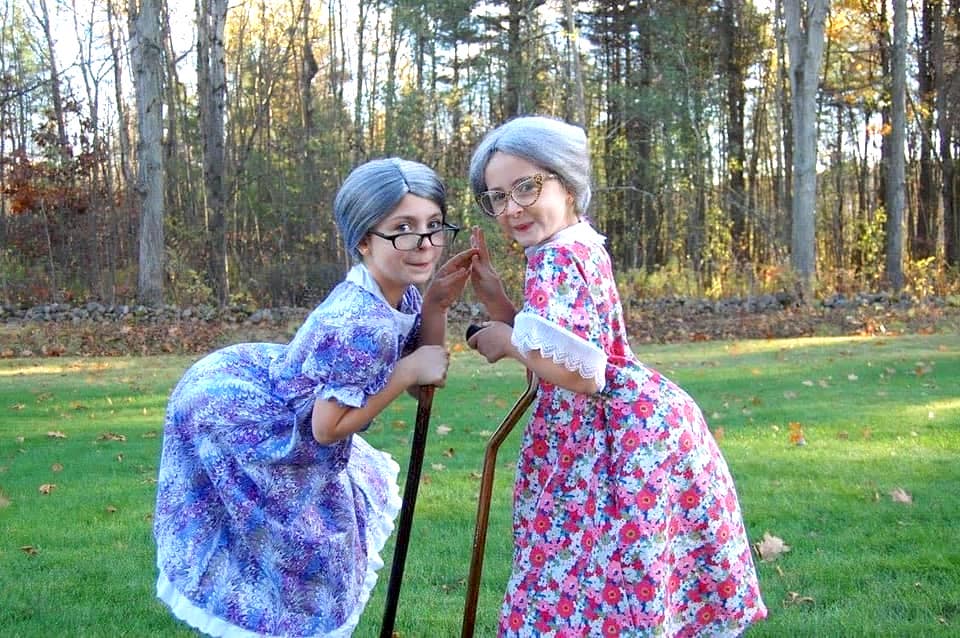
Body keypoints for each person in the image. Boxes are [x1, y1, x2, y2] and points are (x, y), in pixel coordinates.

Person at [465, 116, 767, 636]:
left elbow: (582, 374)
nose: (511, 207)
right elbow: (567, 340)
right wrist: (497, 300)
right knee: (609, 569)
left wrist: (504, 341)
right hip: (634, 424)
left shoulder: (556, 258)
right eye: (497, 196)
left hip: (606, 439)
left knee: (584, 570)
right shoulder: (578, 244)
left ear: (566, 182)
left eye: (526, 187)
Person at [153, 158, 476, 637]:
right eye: (402, 228)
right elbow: (328, 428)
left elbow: (417, 361)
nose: (424, 244)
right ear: (364, 239)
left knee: (320, 541)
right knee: (301, 553)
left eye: (433, 226)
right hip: (248, 420)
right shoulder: (359, 323)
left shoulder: (397, 291)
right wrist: (407, 371)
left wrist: (437, 305)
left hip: (280, 399)